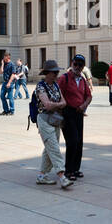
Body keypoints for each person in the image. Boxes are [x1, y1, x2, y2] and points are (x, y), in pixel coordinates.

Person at [33, 60, 72, 189]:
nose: (56, 74)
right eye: (54, 72)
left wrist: (55, 104)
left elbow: (64, 102)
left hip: (55, 120)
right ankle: (62, 177)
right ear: (47, 73)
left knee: (49, 148)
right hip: (44, 120)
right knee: (54, 148)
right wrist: (58, 104)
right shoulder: (40, 87)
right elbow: (47, 105)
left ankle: (42, 176)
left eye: (57, 72)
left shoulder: (55, 85)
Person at [58, 54, 92, 179]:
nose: (77, 67)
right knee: (72, 141)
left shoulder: (82, 79)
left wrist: (84, 106)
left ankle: (76, 169)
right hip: (67, 113)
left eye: (80, 65)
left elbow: (89, 96)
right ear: (72, 64)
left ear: (83, 67)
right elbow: (58, 94)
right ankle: (69, 170)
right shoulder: (65, 78)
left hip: (79, 113)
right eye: (75, 64)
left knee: (79, 142)